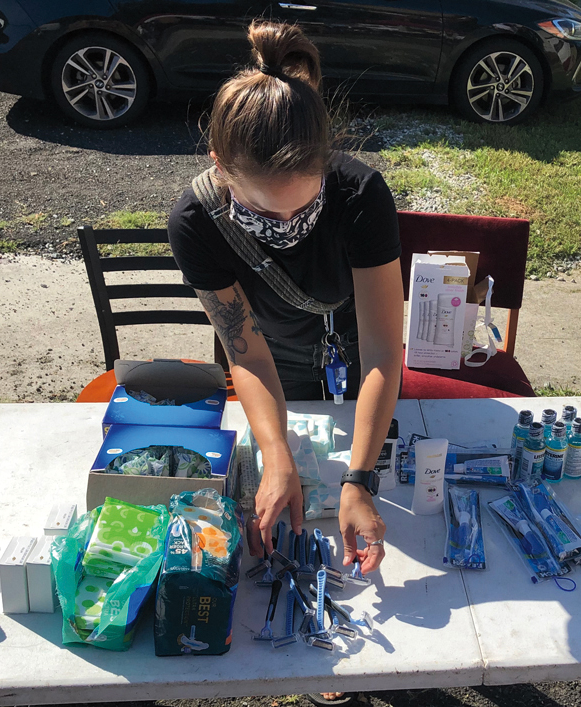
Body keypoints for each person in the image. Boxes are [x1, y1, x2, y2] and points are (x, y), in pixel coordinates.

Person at [167, 18, 401, 650]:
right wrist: (276, 456)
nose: (290, 224)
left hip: (357, 361)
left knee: (360, 502)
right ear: (220, 167)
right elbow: (244, 349)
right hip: (276, 364)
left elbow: (384, 348)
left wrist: (359, 477)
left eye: (305, 206)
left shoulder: (359, 194)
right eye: (267, 213)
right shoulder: (195, 221)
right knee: (287, 503)